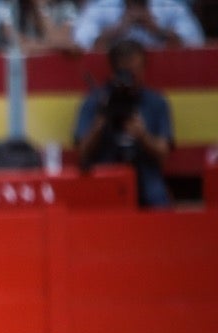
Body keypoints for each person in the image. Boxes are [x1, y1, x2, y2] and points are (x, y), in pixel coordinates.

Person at [74, 37, 175, 206]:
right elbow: (82, 154)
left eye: (136, 72)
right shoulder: (95, 102)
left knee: (158, 200)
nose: (131, 80)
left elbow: (163, 154)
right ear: (114, 72)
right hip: (105, 175)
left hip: (146, 174)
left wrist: (143, 136)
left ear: (144, 69)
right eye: (127, 74)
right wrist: (100, 123)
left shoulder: (156, 102)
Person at [71, 0, 203, 49]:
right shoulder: (101, 7)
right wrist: (119, 30)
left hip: (167, 77)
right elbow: (80, 44)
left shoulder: (171, 6)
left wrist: (157, 30)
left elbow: (196, 42)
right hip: (111, 78)